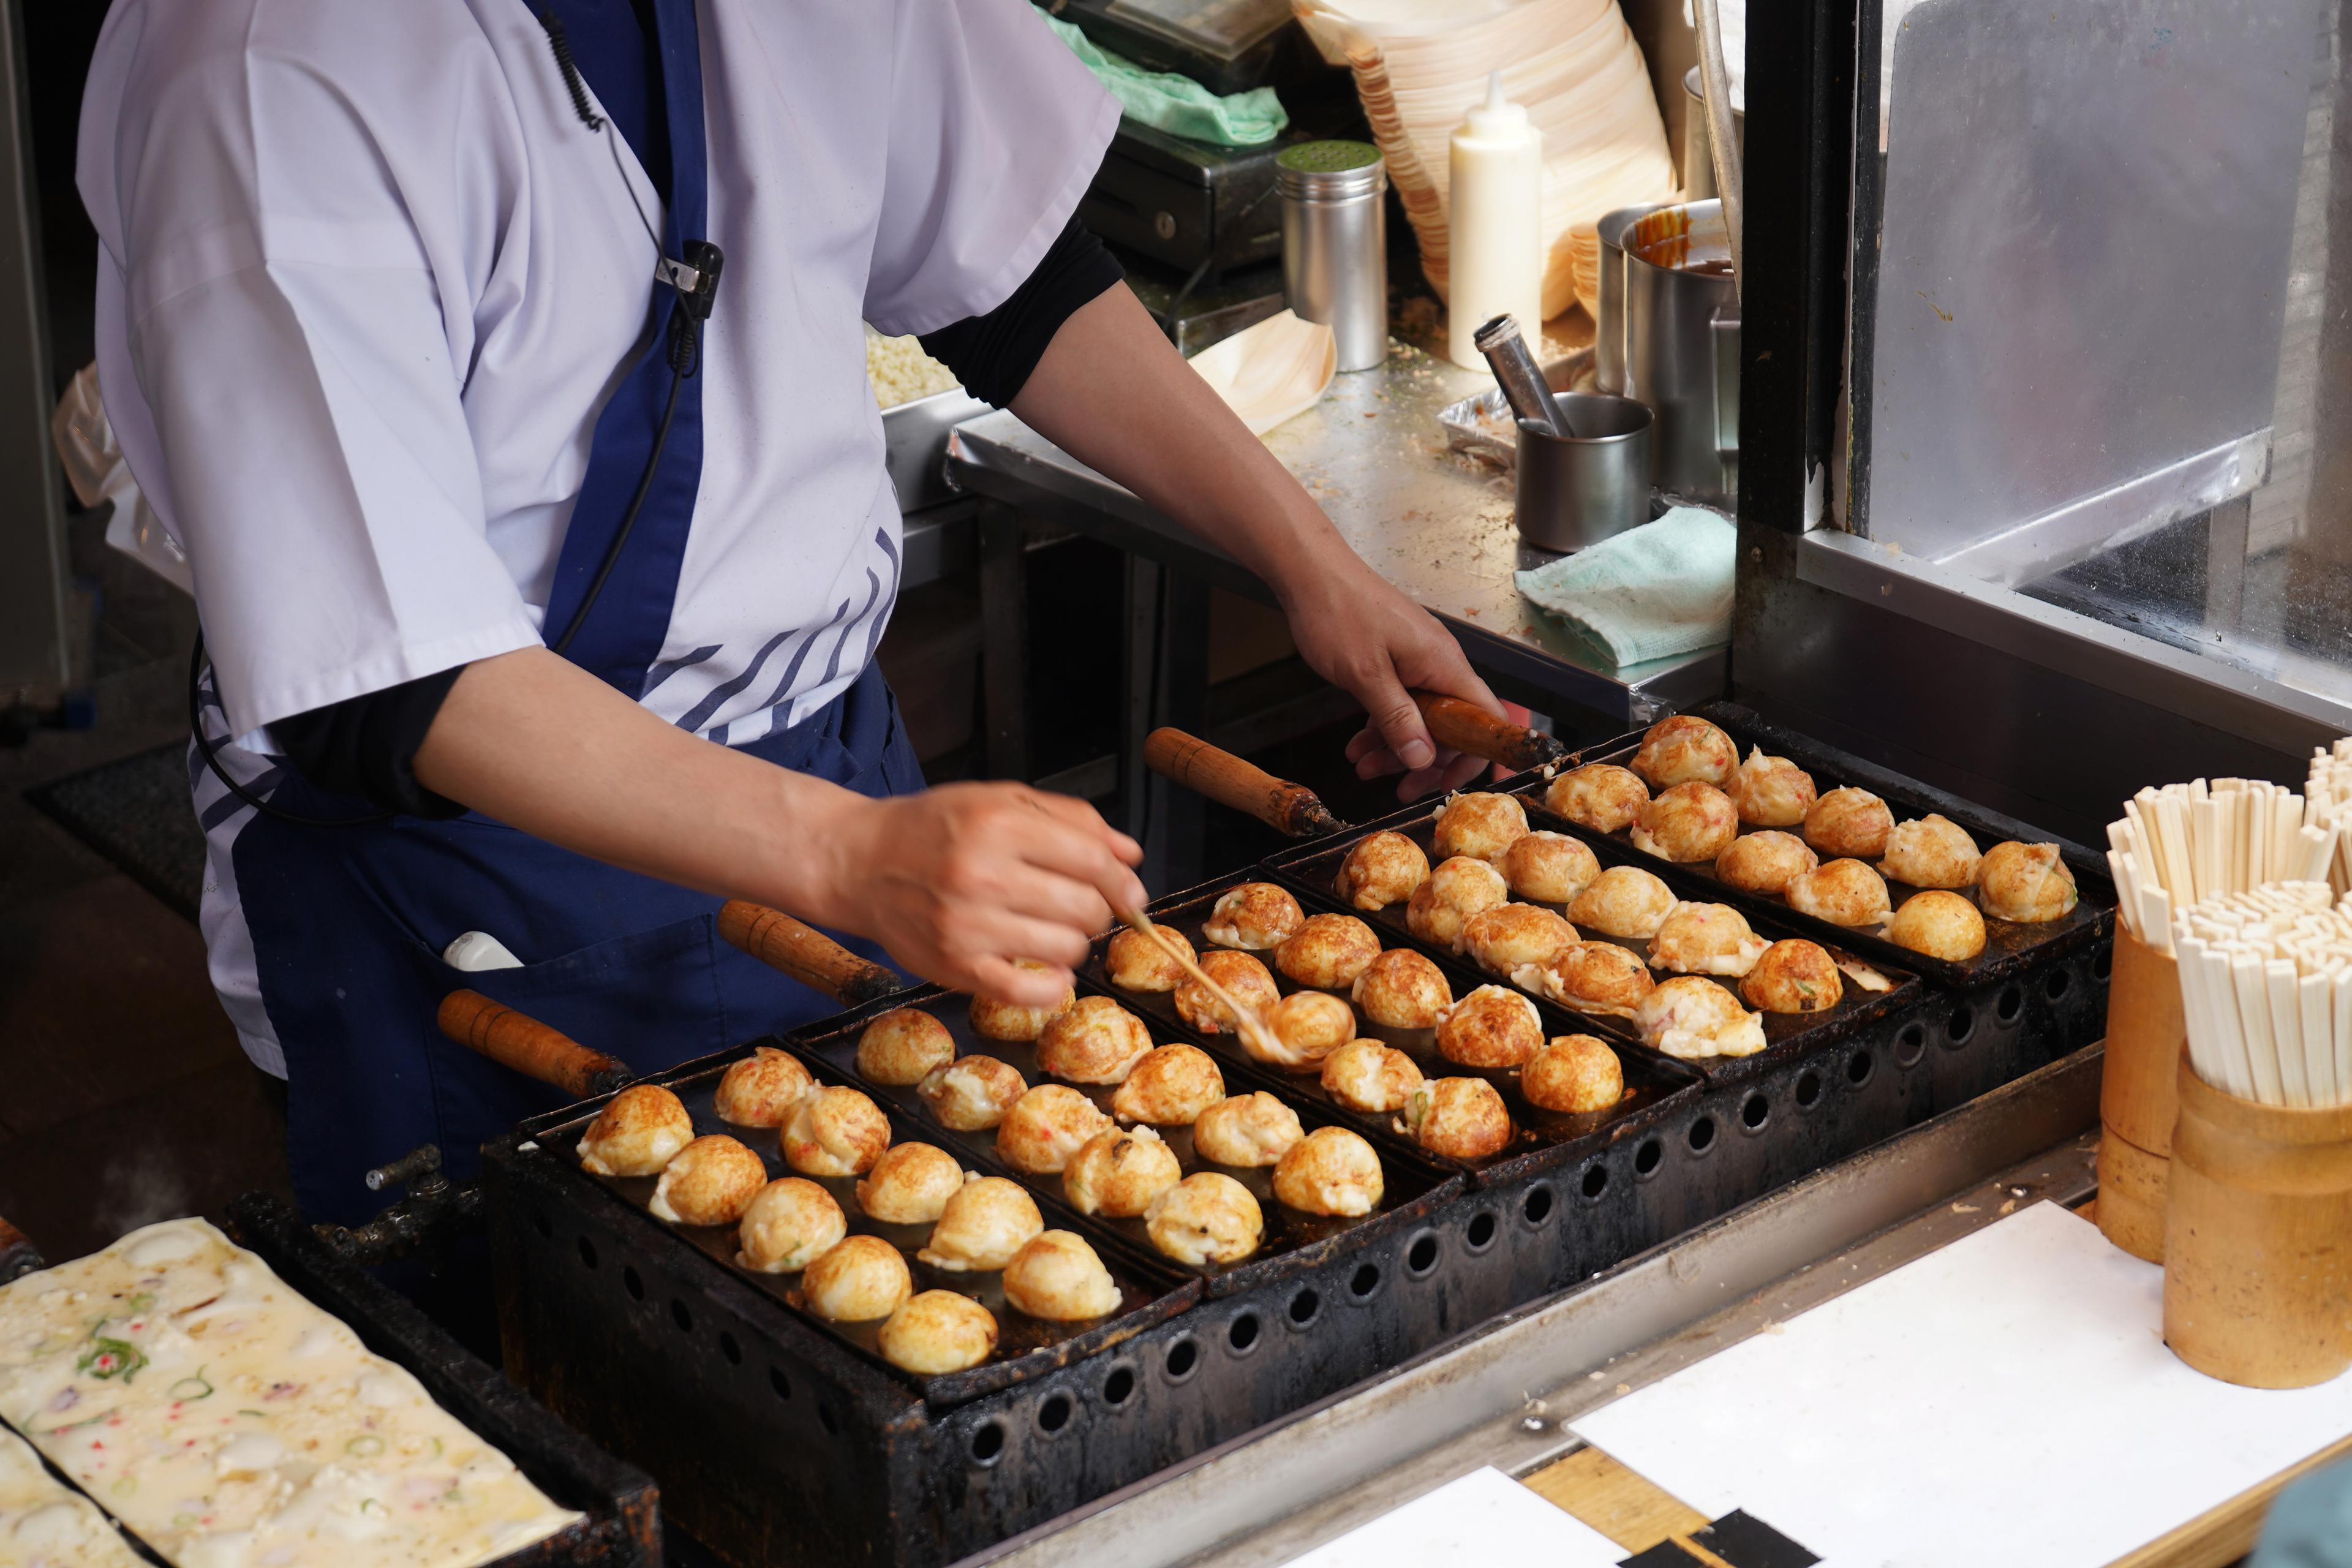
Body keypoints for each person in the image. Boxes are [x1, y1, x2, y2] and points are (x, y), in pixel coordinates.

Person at [77, 0, 1499, 1225]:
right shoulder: (265, 63)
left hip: (829, 765)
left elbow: (1011, 283)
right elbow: (380, 674)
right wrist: (854, 857)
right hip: (466, 873)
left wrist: (1314, 562)